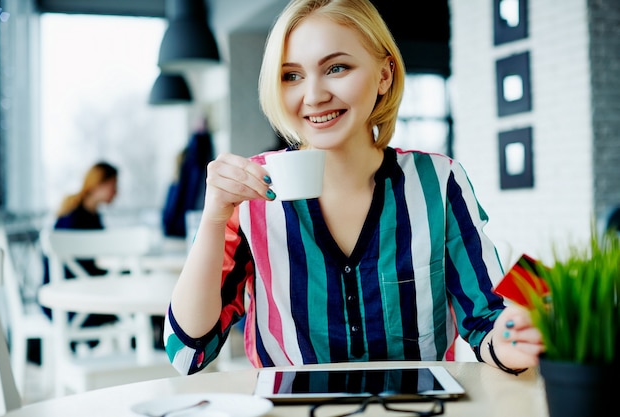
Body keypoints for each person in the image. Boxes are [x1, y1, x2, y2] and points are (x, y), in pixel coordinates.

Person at [164, 0, 543, 376]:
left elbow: (489, 321)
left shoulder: (439, 180)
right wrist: (214, 218)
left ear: (384, 75)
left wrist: (513, 340)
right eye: (292, 75)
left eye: (337, 68)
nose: (313, 96)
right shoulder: (250, 193)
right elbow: (186, 353)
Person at [42, 161, 119, 326]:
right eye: (113, 185)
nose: (116, 192)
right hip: (71, 304)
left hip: (76, 294)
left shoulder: (88, 214)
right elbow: (78, 268)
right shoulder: (75, 219)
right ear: (99, 185)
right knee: (128, 306)